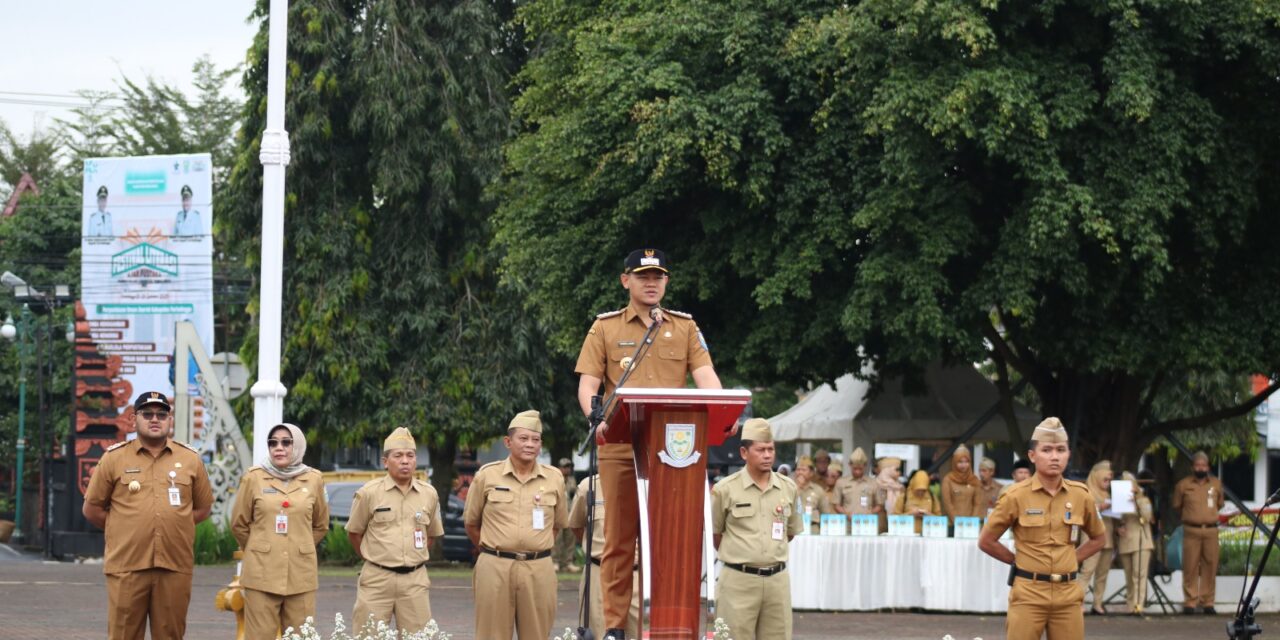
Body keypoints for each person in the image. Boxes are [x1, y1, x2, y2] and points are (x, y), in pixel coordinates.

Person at [574, 248, 723, 640]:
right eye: (643, 276)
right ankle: (615, 628)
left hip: (674, 452)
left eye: (659, 276)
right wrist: (594, 415)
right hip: (621, 446)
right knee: (620, 541)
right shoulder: (604, 328)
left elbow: (707, 376)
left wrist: (725, 409)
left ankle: (671, 625)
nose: (652, 283)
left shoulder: (685, 327)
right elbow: (589, 383)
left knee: (672, 538)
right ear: (626, 281)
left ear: (666, 282)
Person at [82, 392, 214, 640]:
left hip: (174, 566)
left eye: (162, 415)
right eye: (148, 414)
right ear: (134, 419)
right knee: (124, 635)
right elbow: (92, 509)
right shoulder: (114, 458)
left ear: (169, 420)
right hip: (127, 566)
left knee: (171, 635)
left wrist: (175, 523)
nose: (155, 419)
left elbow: (202, 508)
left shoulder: (190, 459)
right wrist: (124, 528)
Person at [978, 418, 1107, 640]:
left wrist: (1072, 559)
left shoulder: (1081, 495)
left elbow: (1099, 538)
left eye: (1060, 450)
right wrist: (1016, 561)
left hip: (1068, 594)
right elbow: (986, 540)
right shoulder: (1016, 495)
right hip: (1028, 592)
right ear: (1032, 456)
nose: (1054, 456)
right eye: (1046, 450)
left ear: (1068, 454)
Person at [464, 410, 568, 639]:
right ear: (508, 442)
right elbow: (471, 523)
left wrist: (535, 546)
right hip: (495, 566)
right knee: (491, 634)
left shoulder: (554, 478)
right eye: (523, 439)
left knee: (537, 634)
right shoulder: (487, 476)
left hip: (538, 567)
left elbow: (557, 525)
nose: (530, 444)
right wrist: (493, 550)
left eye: (536, 440)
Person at [230, 423, 330, 639]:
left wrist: (300, 545)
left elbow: (321, 524)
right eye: (273, 443)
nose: (279, 447)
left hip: (301, 573)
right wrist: (260, 548)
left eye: (286, 442)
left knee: (300, 636)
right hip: (261, 573)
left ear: (299, 446)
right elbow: (239, 523)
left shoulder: (314, 479)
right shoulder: (253, 477)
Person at [345, 427, 444, 635]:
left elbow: (431, 535)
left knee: (419, 636)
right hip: (377, 579)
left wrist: (412, 558)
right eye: (398, 456)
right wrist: (374, 558)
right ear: (385, 461)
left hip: (414, 580)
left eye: (410, 455)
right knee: (368, 635)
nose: (405, 461)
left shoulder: (428, 494)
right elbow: (354, 533)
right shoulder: (369, 493)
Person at [711, 418, 802, 640]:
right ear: (744, 453)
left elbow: (789, 532)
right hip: (737, 581)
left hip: (776, 581)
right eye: (760, 450)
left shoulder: (788, 488)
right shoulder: (725, 489)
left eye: (770, 449)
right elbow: (716, 535)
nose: (768, 455)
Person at [569, 474, 641, 640]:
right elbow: (577, 526)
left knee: (638, 634)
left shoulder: (647, 483)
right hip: (600, 573)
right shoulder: (589, 486)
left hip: (637, 575)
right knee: (600, 634)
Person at [1173, 451, 1224, 614]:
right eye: (1197, 465)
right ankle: (1190, 602)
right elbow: (1177, 506)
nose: (1200, 468)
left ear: (1208, 467)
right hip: (1191, 530)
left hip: (1211, 530)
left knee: (1211, 565)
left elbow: (1220, 503)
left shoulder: (1216, 484)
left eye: (1203, 465)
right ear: (1192, 467)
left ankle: (1208, 602)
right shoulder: (1183, 485)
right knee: (1190, 565)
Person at [1079, 460, 1119, 615]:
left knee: (1103, 573)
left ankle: (1097, 603)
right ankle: (1078, 602)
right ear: (1097, 477)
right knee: (1087, 570)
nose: (1108, 484)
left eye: (1109, 481)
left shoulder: (1108, 495)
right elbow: (1081, 512)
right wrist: (1100, 507)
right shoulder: (1086, 492)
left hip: (1107, 537)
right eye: (1105, 480)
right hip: (1091, 539)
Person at [1116, 471, 1155, 615]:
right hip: (1126, 540)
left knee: (1139, 574)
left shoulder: (1143, 500)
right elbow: (1115, 519)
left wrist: (1137, 499)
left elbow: (1147, 516)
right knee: (1129, 575)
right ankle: (1130, 604)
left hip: (1141, 540)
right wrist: (1117, 528)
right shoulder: (1119, 500)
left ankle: (1139, 604)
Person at [833, 447, 880, 518]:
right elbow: (836, 505)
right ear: (849, 465)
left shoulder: (873, 483)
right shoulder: (841, 482)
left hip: (867, 523)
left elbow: (879, 506)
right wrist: (846, 514)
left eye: (860, 469)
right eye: (855, 469)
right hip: (847, 524)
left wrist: (869, 514)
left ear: (865, 466)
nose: (857, 472)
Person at [554, 457, 582, 573]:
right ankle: (555, 562)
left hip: (569, 513)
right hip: (558, 514)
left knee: (570, 539)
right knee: (557, 539)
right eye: (565, 467)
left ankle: (568, 562)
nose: (567, 469)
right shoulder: (555, 479)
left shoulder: (572, 480)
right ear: (560, 468)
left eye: (569, 467)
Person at [941, 444, 984, 519]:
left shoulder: (974, 480)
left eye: (967, 462)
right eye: (960, 462)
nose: (964, 465)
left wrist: (971, 522)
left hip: (971, 525)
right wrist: (958, 522)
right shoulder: (948, 480)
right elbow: (947, 504)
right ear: (954, 462)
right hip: (952, 524)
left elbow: (978, 504)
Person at [793, 458, 832, 534]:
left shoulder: (818, 490)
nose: (800, 472)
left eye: (803, 470)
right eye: (798, 470)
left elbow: (825, 514)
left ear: (811, 473)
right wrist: (798, 488)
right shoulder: (789, 487)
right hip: (793, 529)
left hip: (812, 530)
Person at [875, 457, 904, 533]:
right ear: (887, 470)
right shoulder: (875, 484)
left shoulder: (899, 486)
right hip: (878, 523)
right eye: (896, 470)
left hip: (897, 524)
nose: (899, 473)